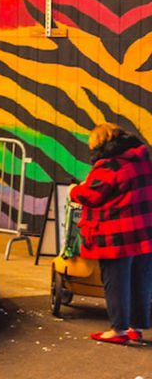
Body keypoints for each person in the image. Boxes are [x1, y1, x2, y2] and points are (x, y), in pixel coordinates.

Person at [70, 123, 152, 345]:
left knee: (116, 281)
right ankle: (136, 328)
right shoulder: (141, 160)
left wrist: (73, 190)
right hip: (144, 231)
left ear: (99, 142)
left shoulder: (110, 164)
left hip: (117, 234)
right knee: (141, 279)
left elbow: (92, 195)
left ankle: (118, 330)